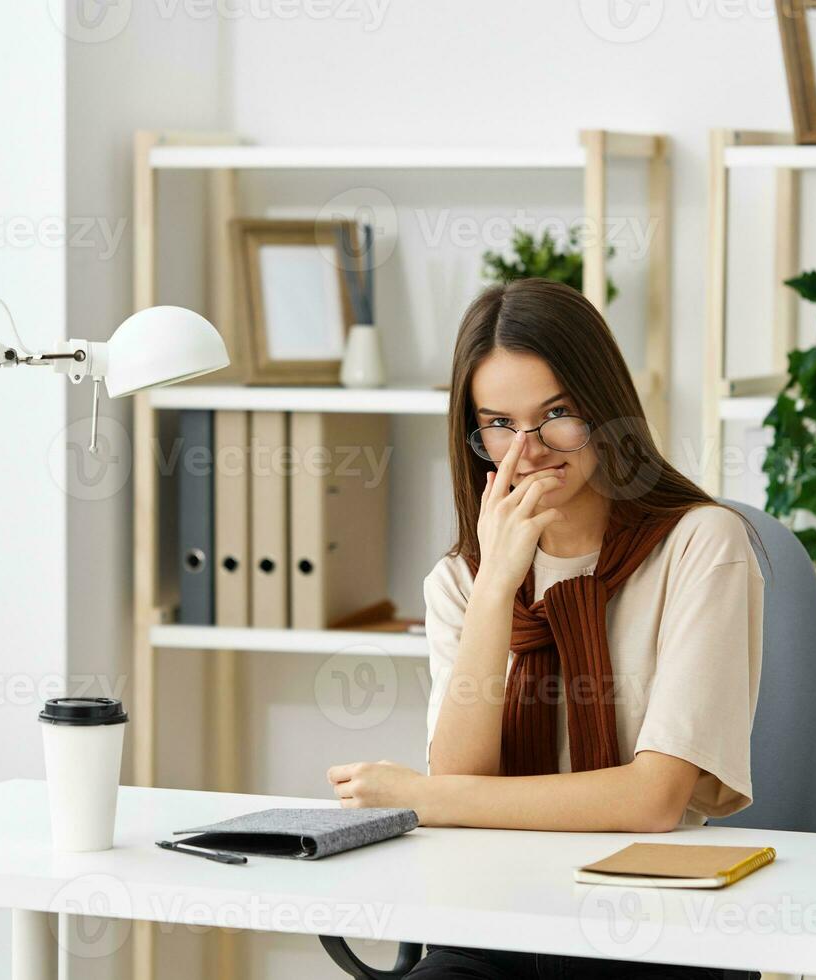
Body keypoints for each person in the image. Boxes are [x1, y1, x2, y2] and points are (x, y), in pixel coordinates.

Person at [327, 278, 764, 979]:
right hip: (488, 920)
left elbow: (652, 801)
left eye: (556, 413)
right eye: (498, 422)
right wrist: (498, 584)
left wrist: (424, 797)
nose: (527, 451)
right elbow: (464, 775)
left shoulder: (702, 545)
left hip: (648, 924)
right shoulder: (459, 583)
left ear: (604, 409)